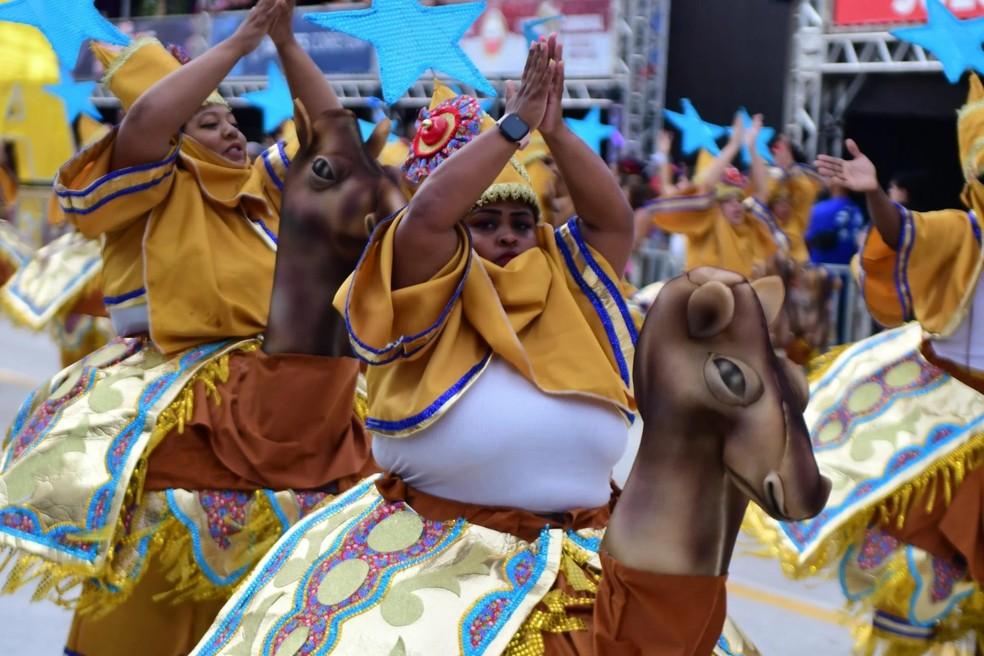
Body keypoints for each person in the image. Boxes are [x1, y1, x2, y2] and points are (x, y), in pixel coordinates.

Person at [189, 37, 761, 656]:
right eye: (486, 224)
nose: (509, 237)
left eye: (520, 222)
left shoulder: (564, 275)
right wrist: (512, 130)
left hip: (581, 551)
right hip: (439, 554)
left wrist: (557, 132)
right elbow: (429, 219)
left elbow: (614, 223)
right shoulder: (426, 280)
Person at [0, 2, 392, 654]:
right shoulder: (145, 184)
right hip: (183, 390)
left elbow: (336, 141)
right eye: (208, 123)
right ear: (175, 138)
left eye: (233, 118)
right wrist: (239, 44)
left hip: (278, 369)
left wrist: (288, 45)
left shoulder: (267, 189)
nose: (233, 131)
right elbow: (150, 120)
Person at [747, 77, 984, 654]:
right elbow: (907, 234)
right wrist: (876, 197)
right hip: (951, 437)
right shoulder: (964, 233)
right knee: (922, 584)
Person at [645, 114, 789, 277]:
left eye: (738, 199)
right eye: (728, 200)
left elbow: (762, 192)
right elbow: (703, 186)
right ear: (716, 204)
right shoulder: (705, 219)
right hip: (703, 297)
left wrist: (751, 147)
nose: (737, 205)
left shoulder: (747, 222)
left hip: (738, 298)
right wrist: (733, 145)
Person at [766, 134, 825, 263]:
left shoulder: (797, 222)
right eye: (778, 202)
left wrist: (790, 168)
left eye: (788, 201)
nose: (784, 206)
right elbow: (761, 197)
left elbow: (807, 194)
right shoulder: (763, 225)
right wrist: (778, 174)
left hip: (797, 266)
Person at [803, 181, 865, 266]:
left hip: (822, 271)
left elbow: (808, 241)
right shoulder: (857, 210)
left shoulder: (820, 209)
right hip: (850, 271)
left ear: (834, 183)